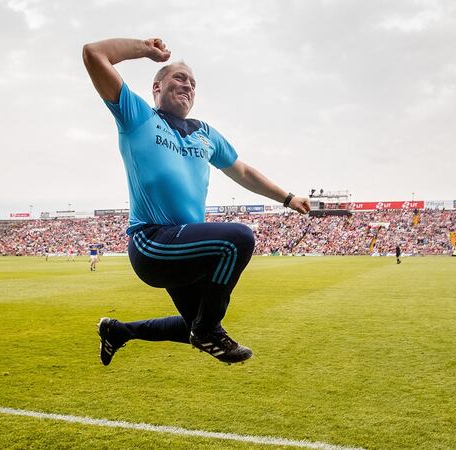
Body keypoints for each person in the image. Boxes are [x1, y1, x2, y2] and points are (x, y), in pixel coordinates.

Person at [82, 37, 311, 365]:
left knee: (193, 323)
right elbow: (94, 54)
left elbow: (242, 171)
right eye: (179, 78)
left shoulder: (205, 133)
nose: (188, 85)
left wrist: (287, 198)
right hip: (152, 242)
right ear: (156, 87)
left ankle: (118, 332)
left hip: (185, 244)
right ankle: (207, 330)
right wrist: (146, 50)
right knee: (238, 240)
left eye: (192, 83)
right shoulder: (138, 117)